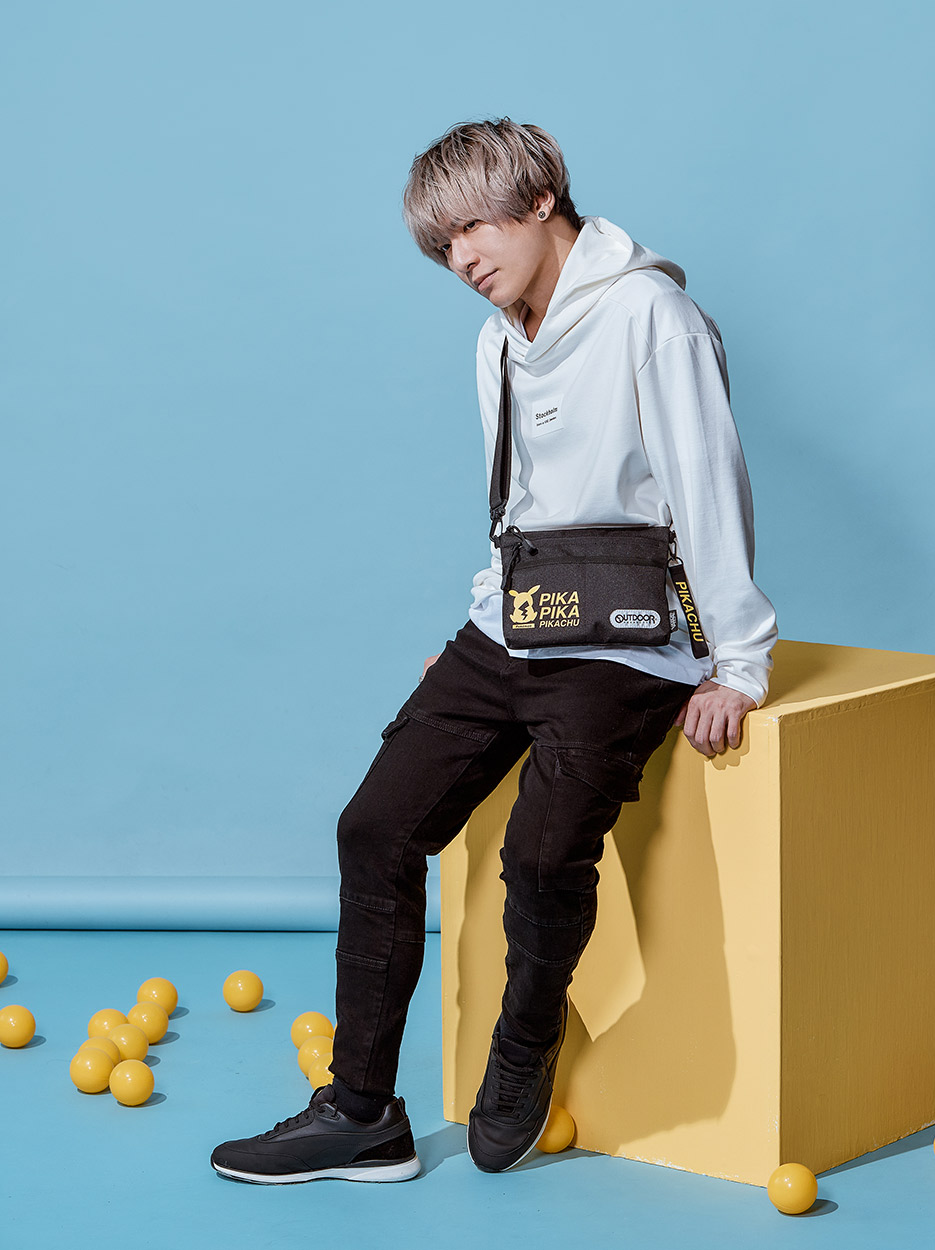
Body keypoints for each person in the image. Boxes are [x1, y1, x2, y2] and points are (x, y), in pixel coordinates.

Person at [210, 116, 777, 1185]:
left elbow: (710, 489)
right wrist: (480, 621)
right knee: (374, 827)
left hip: (626, 644)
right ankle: (360, 1111)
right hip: (520, 619)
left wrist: (738, 663)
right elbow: (515, 506)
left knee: (541, 852)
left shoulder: (652, 317)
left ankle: (522, 1051)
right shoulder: (496, 342)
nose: (461, 258)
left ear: (541, 199)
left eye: (472, 227)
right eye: (443, 245)